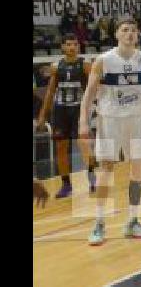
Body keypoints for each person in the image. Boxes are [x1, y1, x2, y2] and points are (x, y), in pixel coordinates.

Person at [78, 18, 141, 245]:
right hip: (109, 121)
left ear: (138, 35)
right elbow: (89, 94)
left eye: (133, 30)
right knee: (106, 170)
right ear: (117, 35)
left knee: (138, 170)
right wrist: (83, 121)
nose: (130, 33)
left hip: (135, 121)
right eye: (125, 30)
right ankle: (99, 223)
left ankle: (132, 220)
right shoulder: (104, 60)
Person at [36, 34, 97, 198]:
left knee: (84, 144)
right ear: (63, 47)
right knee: (60, 148)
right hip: (61, 110)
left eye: (74, 44)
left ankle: (92, 177)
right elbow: (50, 92)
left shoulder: (85, 65)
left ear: (78, 47)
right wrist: (42, 115)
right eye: (68, 44)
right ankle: (66, 185)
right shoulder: (56, 66)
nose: (71, 47)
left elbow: (95, 88)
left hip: (79, 109)